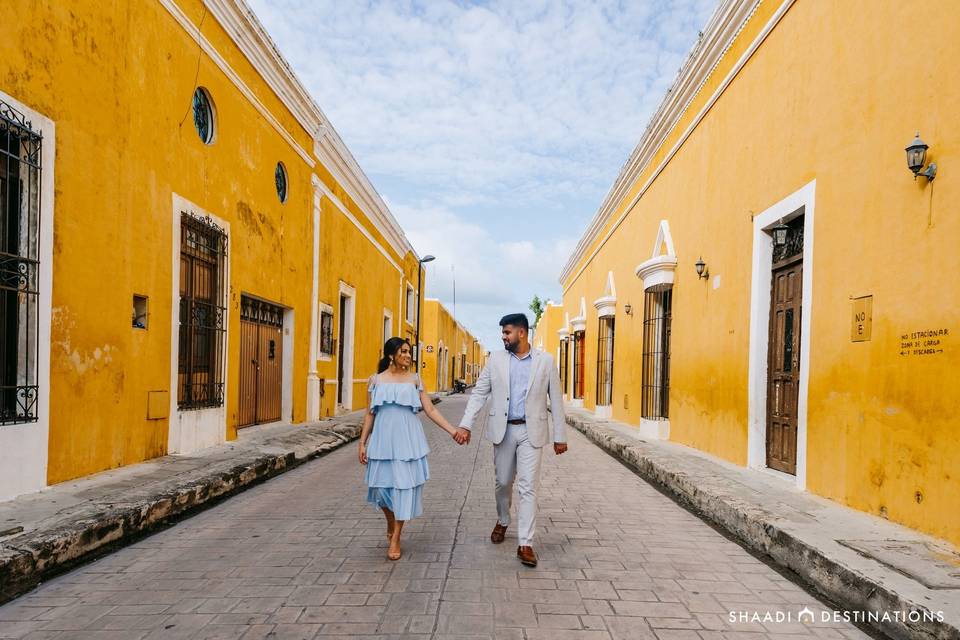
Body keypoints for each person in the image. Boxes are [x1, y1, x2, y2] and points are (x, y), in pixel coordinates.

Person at [455, 313, 567, 567]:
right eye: (503, 333)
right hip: (503, 430)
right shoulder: (495, 360)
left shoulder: (546, 362)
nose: (503, 337)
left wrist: (560, 436)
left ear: (522, 333)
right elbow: (479, 394)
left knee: (528, 487)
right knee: (503, 482)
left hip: (531, 432)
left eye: (507, 332)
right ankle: (503, 519)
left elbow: (556, 401)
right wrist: (465, 424)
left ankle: (525, 543)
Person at [359, 337, 467, 561]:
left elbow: (430, 410)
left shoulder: (415, 380)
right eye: (404, 352)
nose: (408, 356)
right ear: (391, 355)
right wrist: (362, 443)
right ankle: (391, 520)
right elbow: (370, 414)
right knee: (380, 488)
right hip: (382, 440)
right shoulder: (375, 380)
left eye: (409, 352)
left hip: (408, 440)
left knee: (404, 488)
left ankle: (396, 536)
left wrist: (452, 430)